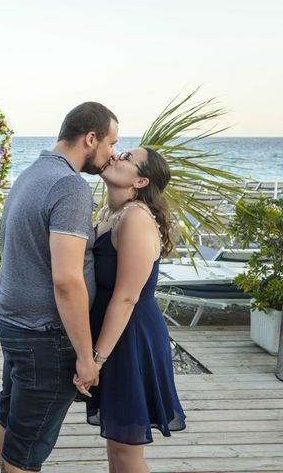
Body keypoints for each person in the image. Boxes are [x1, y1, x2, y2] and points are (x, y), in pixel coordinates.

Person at [0, 102, 119, 472]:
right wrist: (85, 355)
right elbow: (66, 279)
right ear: (90, 138)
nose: (111, 154)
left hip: (13, 321)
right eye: (110, 143)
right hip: (44, 335)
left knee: (9, 415)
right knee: (27, 447)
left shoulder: (32, 173)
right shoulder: (70, 185)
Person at [85, 147, 186, 472]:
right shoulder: (109, 213)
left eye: (127, 158)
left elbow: (127, 297)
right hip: (113, 336)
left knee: (127, 449)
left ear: (141, 180)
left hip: (130, 339)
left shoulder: (136, 218)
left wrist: (96, 359)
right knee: (116, 443)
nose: (115, 156)